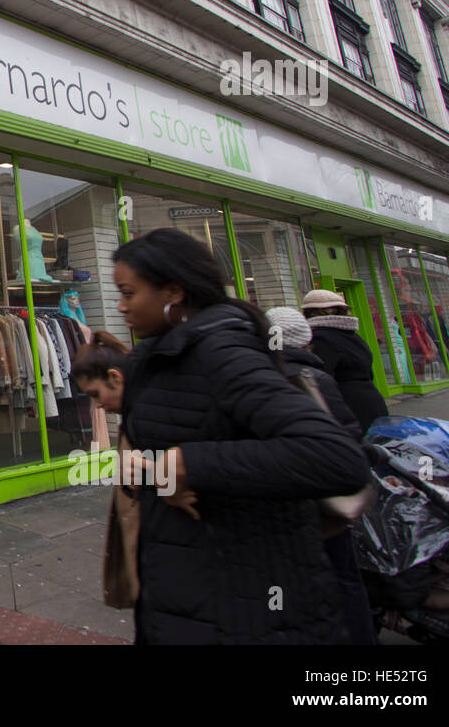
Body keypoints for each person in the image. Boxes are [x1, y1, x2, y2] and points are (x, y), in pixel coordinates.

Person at [111, 228, 369, 644]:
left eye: (129, 292)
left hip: (245, 599)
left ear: (173, 292)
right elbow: (175, 441)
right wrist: (148, 472)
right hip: (187, 582)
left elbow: (335, 457)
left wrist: (190, 465)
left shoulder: (222, 352)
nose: (121, 306)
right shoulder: (162, 355)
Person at [266, 306, 378, 645]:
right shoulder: (320, 375)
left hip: (301, 499)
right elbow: (348, 431)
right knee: (343, 576)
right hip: (330, 500)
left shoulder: (281, 378)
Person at [302, 289, 389, 434]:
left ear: (312, 313)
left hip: (349, 406)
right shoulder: (355, 338)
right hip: (373, 402)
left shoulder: (320, 339)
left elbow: (321, 378)